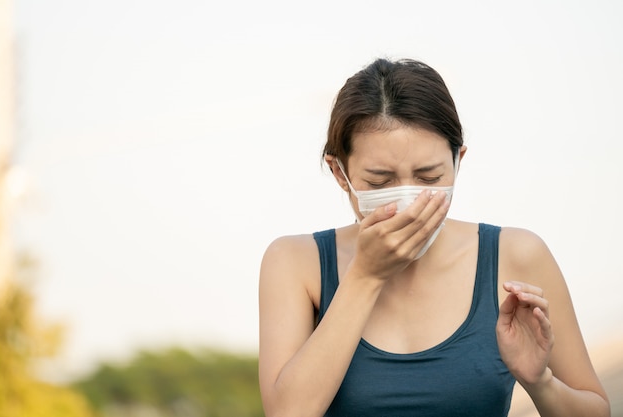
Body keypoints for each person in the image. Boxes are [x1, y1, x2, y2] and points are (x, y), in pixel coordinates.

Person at [258, 58, 610, 417]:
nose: (409, 199)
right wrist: (366, 275)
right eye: (380, 181)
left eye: (428, 177)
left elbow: (596, 409)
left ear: (458, 161)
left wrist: (540, 382)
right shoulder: (295, 262)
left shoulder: (516, 255)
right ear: (339, 172)